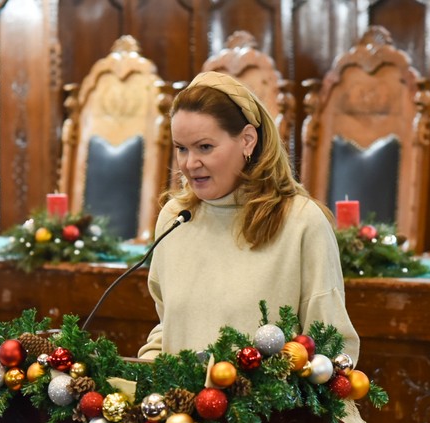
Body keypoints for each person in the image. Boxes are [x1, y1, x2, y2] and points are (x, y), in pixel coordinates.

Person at [138, 71, 359, 365]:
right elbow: (170, 327)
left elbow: (332, 347)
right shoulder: (175, 218)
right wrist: (146, 372)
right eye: (181, 148)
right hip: (179, 396)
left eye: (205, 147)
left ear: (247, 140)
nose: (190, 164)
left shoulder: (301, 222)